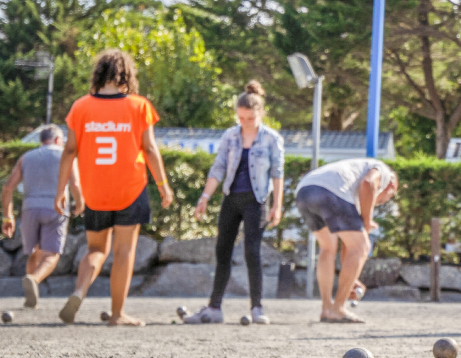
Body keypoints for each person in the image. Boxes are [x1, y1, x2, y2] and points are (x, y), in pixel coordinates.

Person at [55, 49, 174, 326]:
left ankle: (78, 291)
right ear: (126, 74)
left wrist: (61, 190)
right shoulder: (139, 106)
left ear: (98, 74)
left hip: (94, 191)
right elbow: (150, 149)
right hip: (130, 190)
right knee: (123, 252)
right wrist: (163, 185)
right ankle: (117, 314)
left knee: (96, 250)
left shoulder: (81, 107)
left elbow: (69, 151)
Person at [184, 81, 285, 325]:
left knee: (252, 251)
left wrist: (277, 205)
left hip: (256, 200)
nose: (244, 122)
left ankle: (257, 307)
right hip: (231, 199)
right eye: (240, 117)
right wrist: (205, 197)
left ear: (260, 113)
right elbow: (218, 167)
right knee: (222, 251)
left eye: (249, 118)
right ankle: (214, 307)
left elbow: (277, 172)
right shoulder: (229, 135)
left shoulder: (272, 139)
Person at [295, 158, 398, 323]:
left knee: (328, 248)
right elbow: (368, 183)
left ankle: (327, 308)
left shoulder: (351, 187)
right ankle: (338, 308)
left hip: (304, 192)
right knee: (363, 246)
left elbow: (349, 246)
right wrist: (366, 221)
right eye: (386, 199)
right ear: (391, 187)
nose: (381, 202)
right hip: (330, 192)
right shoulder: (383, 171)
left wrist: (352, 281)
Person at [1, 126, 83, 308]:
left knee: (33, 252)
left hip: (30, 208)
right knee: (51, 254)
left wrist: (7, 217)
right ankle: (33, 279)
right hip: (56, 208)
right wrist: (79, 203)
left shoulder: (26, 157)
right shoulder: (66, 155)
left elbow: (7, 188)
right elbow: (75, 184)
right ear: (57, 140)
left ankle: (31, 295)